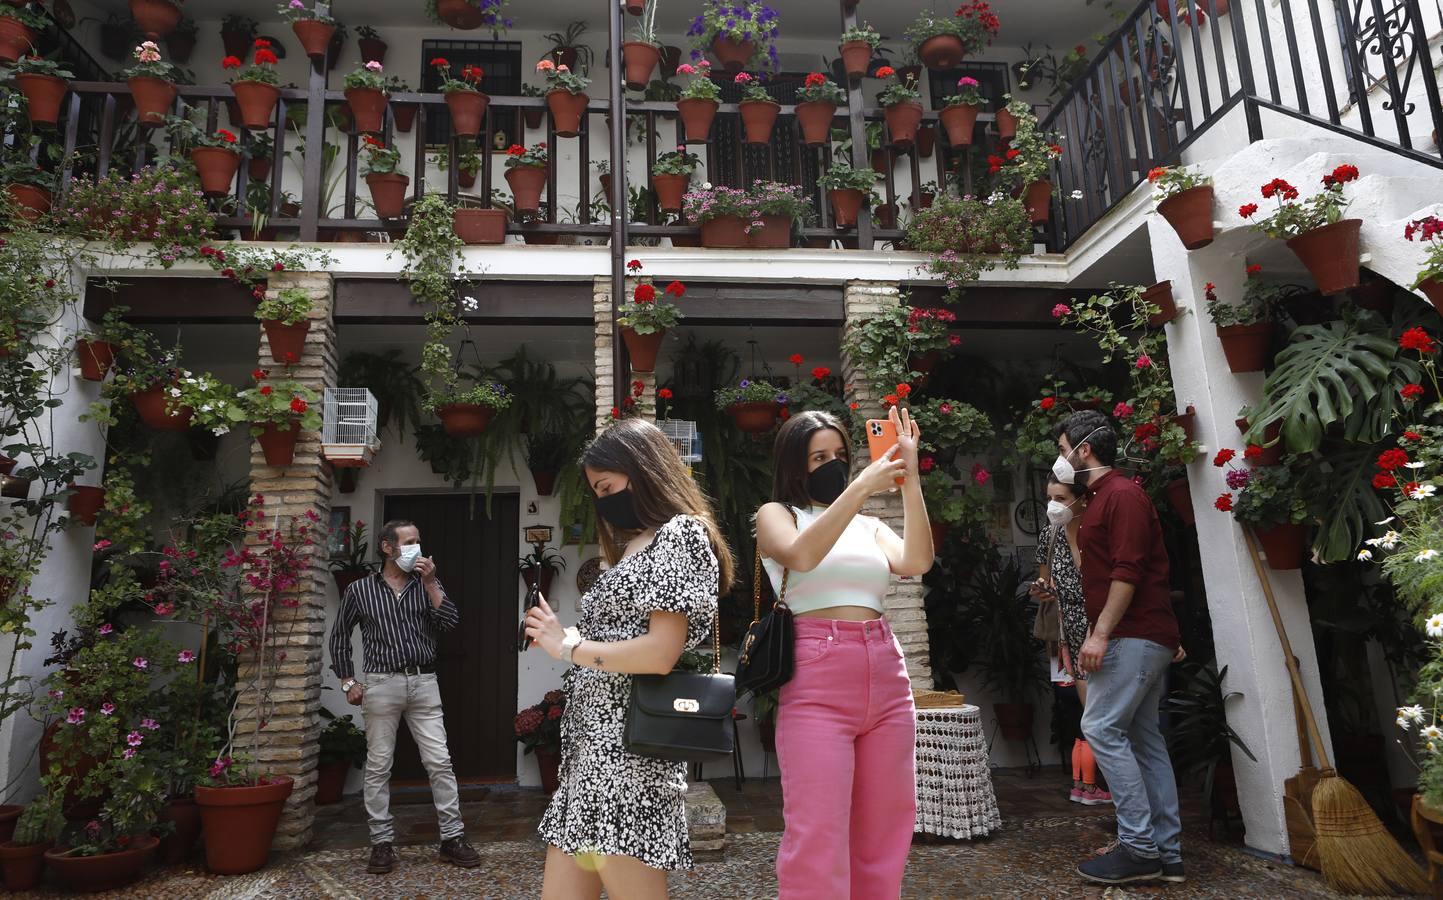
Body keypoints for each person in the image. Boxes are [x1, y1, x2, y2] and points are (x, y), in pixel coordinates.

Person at [525, 418, 735, 900]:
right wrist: (564, 635)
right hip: (591, 752)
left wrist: (570, 647)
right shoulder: (634, 546)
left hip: (626, 756)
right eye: (597, 491)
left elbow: (661, 653)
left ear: (643, 470)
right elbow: (624, 639)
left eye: (606, 486)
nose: (603, 501)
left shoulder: (680, 534)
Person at [756, 406, 935, 900]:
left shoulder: (869, 524)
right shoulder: (777, 515)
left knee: (886, 824)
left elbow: (917, 560)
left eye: (840, 455)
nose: (833, 464)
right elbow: (801, 555)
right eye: (819, 457)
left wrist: (909, 479)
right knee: (817, 829)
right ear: (795, 465)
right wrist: (859, 487)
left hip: (884, 668)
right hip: (816, 674)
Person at [1052, 410, 1184, 886]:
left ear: (1083, 450)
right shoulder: (1100, 500)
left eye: (1063, 449)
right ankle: (1166, 853)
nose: (1060, 461)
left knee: (1101, 727)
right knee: (1145, 741)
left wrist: (1100, 633)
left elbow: (1128, 572)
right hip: (1142, 634)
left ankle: (1140, 847)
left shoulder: (1123, 496)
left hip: (1132, 635)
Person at [326, 519, 481, 874]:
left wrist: (429, 583)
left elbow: (449, 621)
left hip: (424, 683)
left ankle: (452, 838)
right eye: (409, 542)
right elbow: (339, 637)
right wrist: (349, 682)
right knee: (379, 765)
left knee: (440, 762)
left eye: (418, 541)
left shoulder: (425, 584)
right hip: (381, 684)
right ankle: (381, 844)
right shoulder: (359, 591)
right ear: (387, 547)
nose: (417, 548)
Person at [1031, 475, 1111, 806]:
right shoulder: (1049, 534)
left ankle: (1113, 789)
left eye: (1061, 498)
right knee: (1091, 714)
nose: (1054, 506)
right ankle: (1093, 785)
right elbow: (1043, 580)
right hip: (1071, 635)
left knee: (1113, 714)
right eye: (1050, 497)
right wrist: (1042, 591)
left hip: (1106, 628)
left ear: (1082, 498)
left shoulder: (1098, 529)